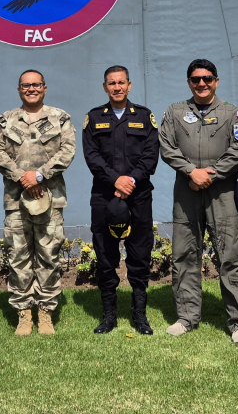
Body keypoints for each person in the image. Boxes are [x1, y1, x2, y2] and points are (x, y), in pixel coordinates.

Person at [158, 59, 238, 343]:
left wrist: (211, 173)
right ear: (189, 82)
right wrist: (190, 171)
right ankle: (186, 317)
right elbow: (166, 146)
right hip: (186, 191)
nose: (202, 84)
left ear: (216, 81)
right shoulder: (175, 112)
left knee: (230, 256)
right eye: (196, 79)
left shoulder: (232, 113)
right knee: (185, 254)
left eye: (207, 78)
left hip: (221, 191)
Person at [0, 70, 76, 336]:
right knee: (18, 258)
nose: (31, 89)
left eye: (35, 85)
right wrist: (21, 177)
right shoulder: (5, 121)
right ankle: (24, 314)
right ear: (19, 90)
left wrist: (39, 175)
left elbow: (67, 151)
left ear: (44, 88)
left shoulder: (60, 118)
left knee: (49, 256)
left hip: (50, 199)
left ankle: (46, 312)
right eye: (25, 86)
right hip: (16, 201)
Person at [81, 65, 159, 336]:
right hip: (104, 195)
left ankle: (139, 315)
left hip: (138, 196)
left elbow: (150, 156)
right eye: (111, 83)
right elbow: (92, 157)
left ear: (129, 85)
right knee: (105, 253)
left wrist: (129, 182)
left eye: (121, 82)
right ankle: (109, 316)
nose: (117, 87)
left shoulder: (144, 116)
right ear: (105, 87)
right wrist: (115, 180)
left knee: (139, 253)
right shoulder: (93, 118)